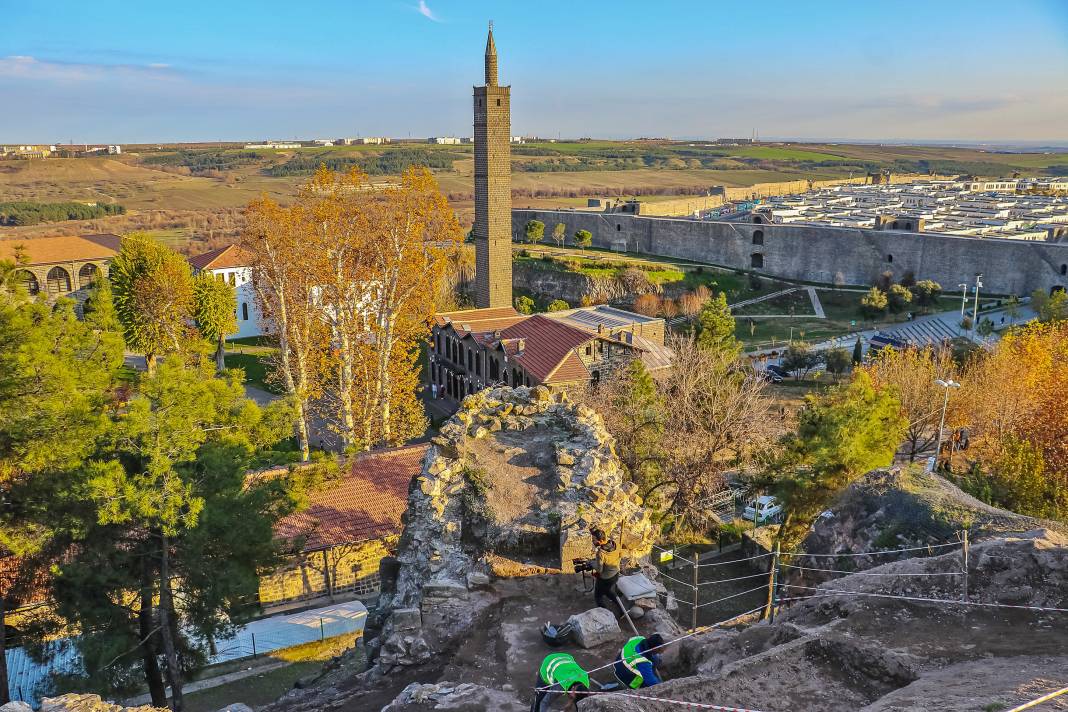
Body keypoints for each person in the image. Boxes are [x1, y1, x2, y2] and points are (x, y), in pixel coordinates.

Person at [590, 528, 624, 617]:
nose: (592, 541)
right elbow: (620, 555)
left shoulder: (601, 553)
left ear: (601, 541)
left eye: (594, 540)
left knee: (598, 596)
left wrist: (591, 563)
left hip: (605, 578)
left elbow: (599, 570)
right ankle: (622, 610)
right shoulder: (616, 544)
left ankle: (606, 616)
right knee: (608, 592)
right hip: (615, 573)